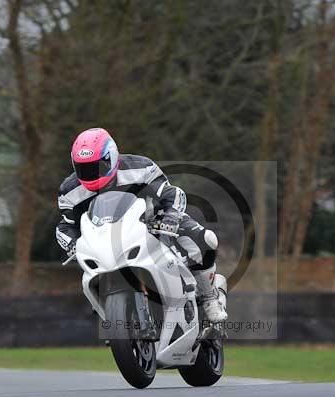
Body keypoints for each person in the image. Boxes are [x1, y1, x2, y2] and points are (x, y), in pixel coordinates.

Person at [55, 127, 227, 323]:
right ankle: (112, 312)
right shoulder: (69, 192)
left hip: (153, 224)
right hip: (106, 242)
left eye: (97, 167)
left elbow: (171, 194)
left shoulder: (140, 168)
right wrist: (73, 244)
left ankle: (209, 296)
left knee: (205, 240)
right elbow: (66, 226)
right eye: (83, 169)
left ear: (111, 157)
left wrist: (171, 216)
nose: (91, 174)